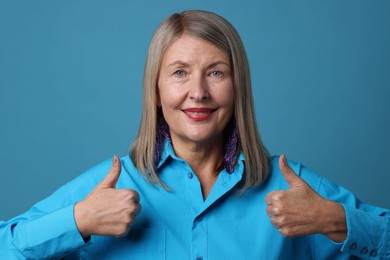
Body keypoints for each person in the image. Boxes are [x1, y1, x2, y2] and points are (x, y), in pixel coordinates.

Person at [0, 10, 389, 259]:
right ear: (156, 89)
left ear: (238, 89)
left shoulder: (290, 187)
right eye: (180, 72)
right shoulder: (111, 185)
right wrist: (79, 220)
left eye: (216, 72)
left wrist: (335, 219)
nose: (198, 92)